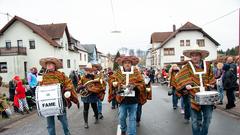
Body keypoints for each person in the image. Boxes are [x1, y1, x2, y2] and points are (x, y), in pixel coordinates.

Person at [175, 49, 216, 135]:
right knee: (195, 121)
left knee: (208, 118)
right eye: (192, 55)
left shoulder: (207, 65)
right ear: (190, 56)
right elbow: (179, 77)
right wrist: (186, 84)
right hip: (193, 96)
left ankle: (203, 133)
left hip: (207, 97)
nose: (194, 57)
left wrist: (212, 83)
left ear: (200, 56)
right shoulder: (187, 66)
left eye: (196, 55)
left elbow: (211, 77)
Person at [39, 57, 79, 135]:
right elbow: (38, 86)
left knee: (64, 121)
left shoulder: (61, 75)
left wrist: (67, 90)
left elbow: (69, 83)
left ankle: (67, 133)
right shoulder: (42, 76)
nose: (48, 65)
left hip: (60, 101)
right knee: (50, 124)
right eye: (47, 64)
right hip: (47, 103)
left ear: (54, 65)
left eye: (50, 64)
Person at [108, 55, 145, 135]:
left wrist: (133, 85)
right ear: (122, 64)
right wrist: (115, 83)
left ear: (131, 64)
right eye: (125, 63)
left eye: (129, 63)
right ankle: (123, 129)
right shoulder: (118, 72)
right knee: (122, 117)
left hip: (133, 100)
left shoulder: (136, 72)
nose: (127, 64)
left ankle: (132, 133)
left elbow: (142, 83)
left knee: (132, 118)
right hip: (122, 99)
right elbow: (111, 79)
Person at [77, 63, 104, 129]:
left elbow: (100, 85)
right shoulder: (83, 77)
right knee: (86, 108)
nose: (88, 71)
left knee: (94, 107)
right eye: (87, 70)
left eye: (90, 70)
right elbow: (79, 84)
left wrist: (93, 88)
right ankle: (86, 123)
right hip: (85, 95)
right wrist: (80, 86)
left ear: (92, 70)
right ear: (86, 70)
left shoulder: (96, 77)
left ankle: (97, 118)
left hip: (93, 94)